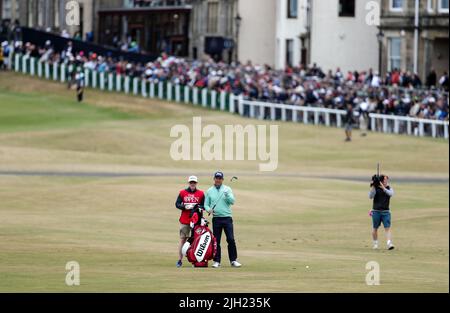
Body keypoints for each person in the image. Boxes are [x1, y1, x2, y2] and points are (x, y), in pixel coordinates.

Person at [204, 172, 242, 268]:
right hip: (216, 218)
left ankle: (233, 260)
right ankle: (217, 261)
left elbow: (232, 201)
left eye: (220, 178)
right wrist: (209, 210)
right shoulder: (209, 191)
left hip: (227, 218)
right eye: (216, 178)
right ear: (214, 179)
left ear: (222, 179)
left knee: (230, 239)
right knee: (216, 240)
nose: (218, 180)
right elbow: (206, 204)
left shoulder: (227, 189)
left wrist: (227, 196)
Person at [175, 176, 205, 268]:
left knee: (196, 241)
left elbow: (203, 206)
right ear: (189, 183)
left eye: (194, 182)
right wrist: (184, 207)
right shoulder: (182, 193)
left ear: (196, 183)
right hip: (185, 220)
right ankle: (180, 260)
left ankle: (195, 260)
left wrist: (198, 207)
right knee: (183, 239)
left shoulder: (201, 194)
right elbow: (177, 204)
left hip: (196, 221)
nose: (192, 184)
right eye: (191, 182)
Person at [369, 175, 395, 250]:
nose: (386, 181)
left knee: (387, 228)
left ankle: (389, 243)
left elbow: (391, 194)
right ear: (381, 181)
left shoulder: (389, 188)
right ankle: (375, 244)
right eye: (384, 180)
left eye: (386, 180)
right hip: (376, 211)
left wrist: (383, 188)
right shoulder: (376, 188)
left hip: (386, 212)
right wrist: (374, 186)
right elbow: (370, 196)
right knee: (375, 228)